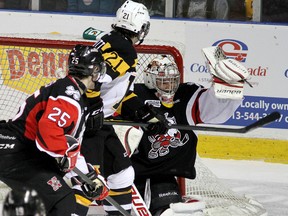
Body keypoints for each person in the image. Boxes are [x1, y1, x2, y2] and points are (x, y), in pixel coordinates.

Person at [120, 47, 251, 215]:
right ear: (150, 80)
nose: (169, 86)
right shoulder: (136, 95)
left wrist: (226, 90)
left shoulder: (185, 94)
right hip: (137, 173)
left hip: (166, 173)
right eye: (163, 81)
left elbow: (212, 113)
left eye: (173, 80)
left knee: (173, 210)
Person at [80, 0, 168, 215]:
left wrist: (143, 113)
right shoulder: (125, 49)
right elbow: (93, 76)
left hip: (96, 124)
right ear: (140, 27)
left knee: (122, 174)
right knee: (87, 183)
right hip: (84, 125)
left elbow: (117, 91)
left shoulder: (108, 40)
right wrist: (93, 108)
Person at [0, 44, 109, 215]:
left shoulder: (71, 91)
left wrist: (89, 177)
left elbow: (68, 146)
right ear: (93, 70)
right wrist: (67, 157)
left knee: (53, 201)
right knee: (62, 201)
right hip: (15, 151)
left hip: (22, 153)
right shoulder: (69, 95)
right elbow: (48, 131)